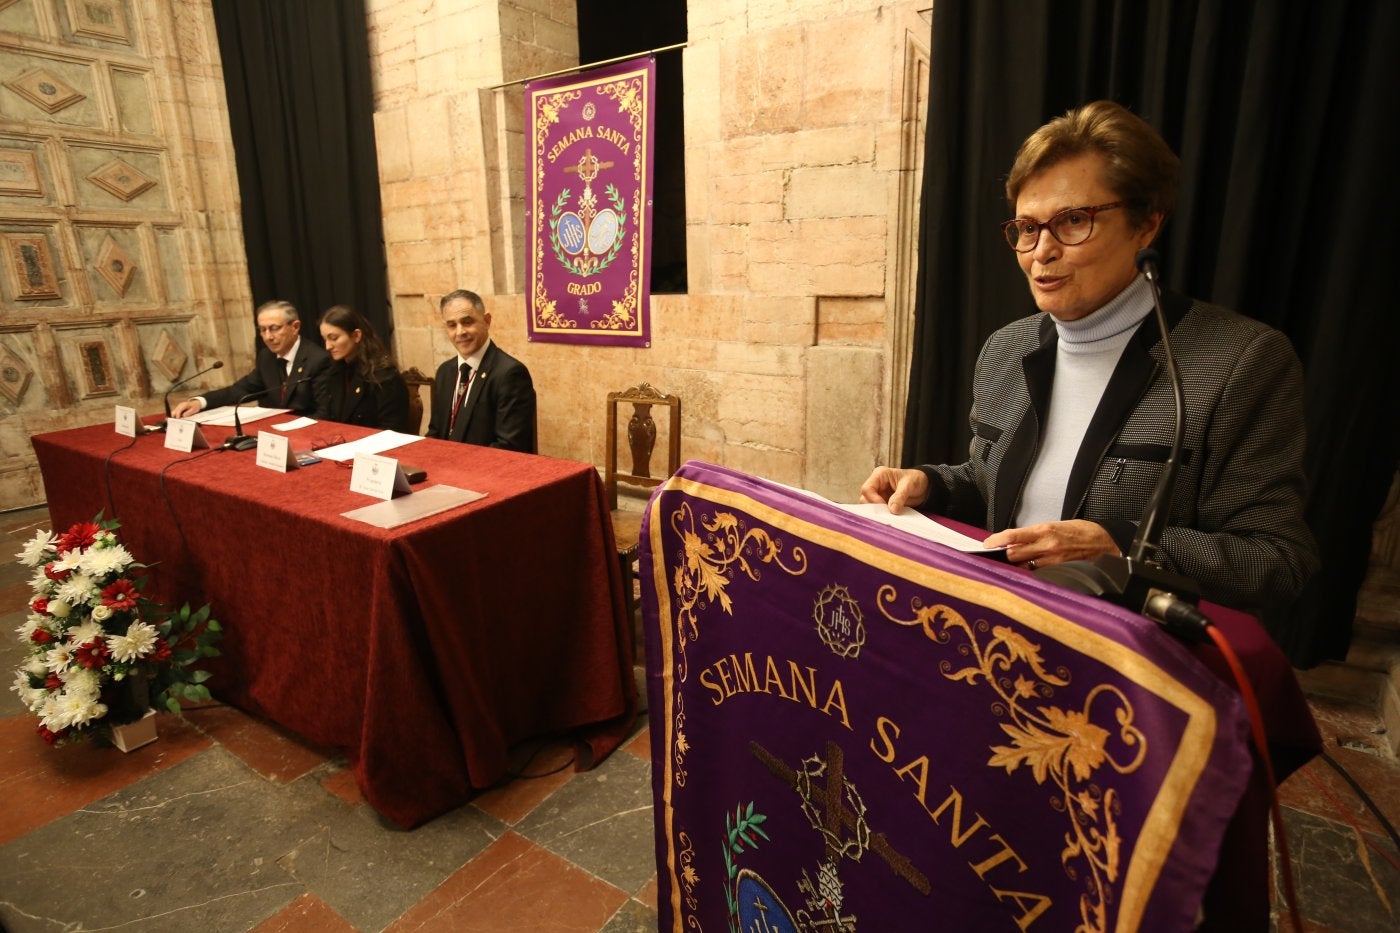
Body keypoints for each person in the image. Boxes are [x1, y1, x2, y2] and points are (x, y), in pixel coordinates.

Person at [861, 100, 1317, 617]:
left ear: (1146, 225)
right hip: (1002, 627)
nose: (1041, 251)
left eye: (1073, 220)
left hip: (1128, 650)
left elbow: (1277, 559)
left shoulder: (1241, 360)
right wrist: (934, 486)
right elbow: (997, 488)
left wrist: (1119, 545)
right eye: (1027, 228)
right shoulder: (1005, 348)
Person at [171, 300, 330, 418]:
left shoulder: (318, 359)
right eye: (262, 330)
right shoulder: (266, 357)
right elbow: (241, 390)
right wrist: (200, 402)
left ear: (295, 327)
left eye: (274, 328)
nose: (268, 337)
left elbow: (325, 412)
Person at [425, 289, 537, 453]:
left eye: (467, 322)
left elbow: (508, 447)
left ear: (486, 321)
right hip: (444, 465)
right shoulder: (444, 372)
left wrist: (456, 462)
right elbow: (435, 432)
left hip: (488, 467)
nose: (460, 332)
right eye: (452, 325)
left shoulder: (510, 374)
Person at [317, 305, 410, 431]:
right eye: (325, 339)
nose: (328, 346)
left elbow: (392, 428)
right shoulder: (334, 371)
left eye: (334, 338)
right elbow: (328, 417)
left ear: (356, 335)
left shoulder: (384, 376)